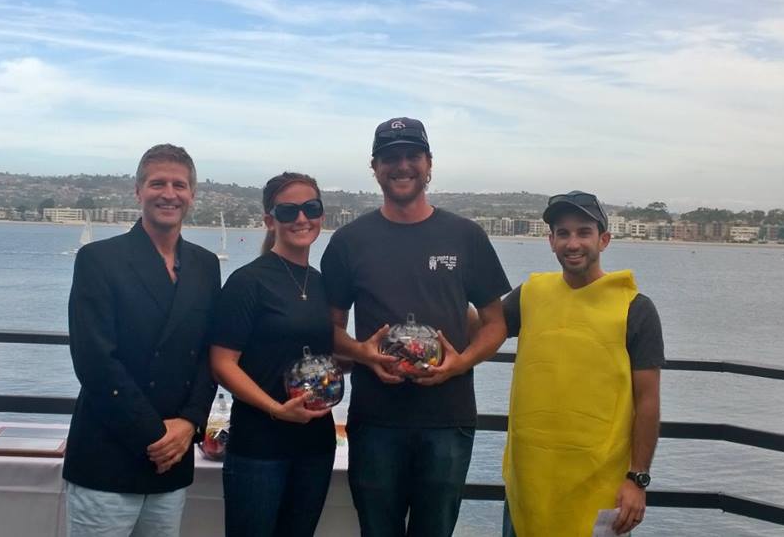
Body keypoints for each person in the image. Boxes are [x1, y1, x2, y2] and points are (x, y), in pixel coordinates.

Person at [320, 117, 511, 537]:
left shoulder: (466, 236)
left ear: (429, 164)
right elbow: (329, 330)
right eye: (390, 157)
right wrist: (362, 353)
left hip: (448, 418)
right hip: (375, 420)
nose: (402, 165)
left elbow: (495, 324)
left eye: (412, 155)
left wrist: (461, 363)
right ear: (374, 167)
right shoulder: (349, 241)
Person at [63, 144, 221, 537]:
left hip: (173, 457)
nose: (169, 194)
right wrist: (156, 435)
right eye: (157, 184)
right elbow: (95, 361)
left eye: (179, 185)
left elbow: (208, 352)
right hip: (109, 454)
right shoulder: (99, 259)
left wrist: (190, 423)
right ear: (138, 192)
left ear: (192, 194)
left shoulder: (205, 265)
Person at [501, 191, 664, 536]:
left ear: (604, 239)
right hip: (528, 484)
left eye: (584, 232)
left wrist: (637, 478)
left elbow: (648, 401)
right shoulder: (529, 295)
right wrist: (446, 291)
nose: (572, 243)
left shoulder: (635, 308)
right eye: (563, 233)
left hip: (600, 488)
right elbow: (482, 329)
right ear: (551, 241)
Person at [210, 172, 337, 537]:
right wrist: (276, 409)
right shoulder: (248, 281)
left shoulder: (321, 283)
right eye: (288, 211)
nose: (301, 218)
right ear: (270, 220)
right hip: (260, 445)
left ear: (321, 215)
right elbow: (221, 363)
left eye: (311, 208)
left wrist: (370, 356)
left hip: (316, 445)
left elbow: (324, 356)